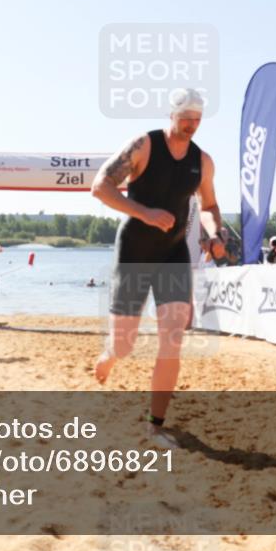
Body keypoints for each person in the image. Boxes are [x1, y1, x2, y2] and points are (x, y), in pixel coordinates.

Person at [90, 88, 225, 447]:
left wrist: (214, 233)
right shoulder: (143, 145)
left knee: (172, 339)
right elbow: (100, 187)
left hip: (172, 253)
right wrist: (145, 213)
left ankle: (156, 425)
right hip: (134, 251)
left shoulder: (202, 161)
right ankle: (110, 354)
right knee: (124, 345)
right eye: (186, 118)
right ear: (171, 114)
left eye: (197, 119)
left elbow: (209, 206)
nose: (192, 125)